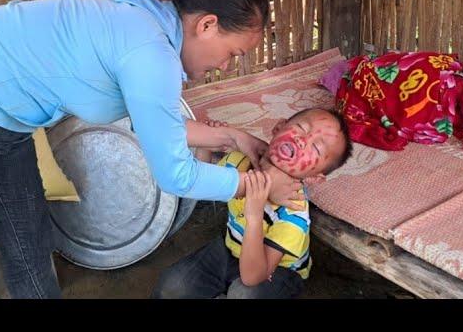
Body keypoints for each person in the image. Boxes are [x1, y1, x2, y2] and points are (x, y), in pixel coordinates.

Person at [0, 0, 302, 299]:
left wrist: (233, 137)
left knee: (30, 254)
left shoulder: (145, 26)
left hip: (2, 125)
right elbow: (174, 174)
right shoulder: (150, 52)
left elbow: (158, 127)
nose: (225, 66)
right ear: (207, 25)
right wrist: (255, 187)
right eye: (232, 53)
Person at [151, 108, 353, 299]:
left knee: (243, 294)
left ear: (315, 178)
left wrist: (254, 216)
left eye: (316, 148)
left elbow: (253, 276)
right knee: (172, 287)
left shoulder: (294, 210)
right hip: (232, 247)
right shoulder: (239, 162)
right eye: (302, 128)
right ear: (278, 127)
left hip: (275, 270)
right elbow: (203, 180)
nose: (302, 141)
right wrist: (207, 143)